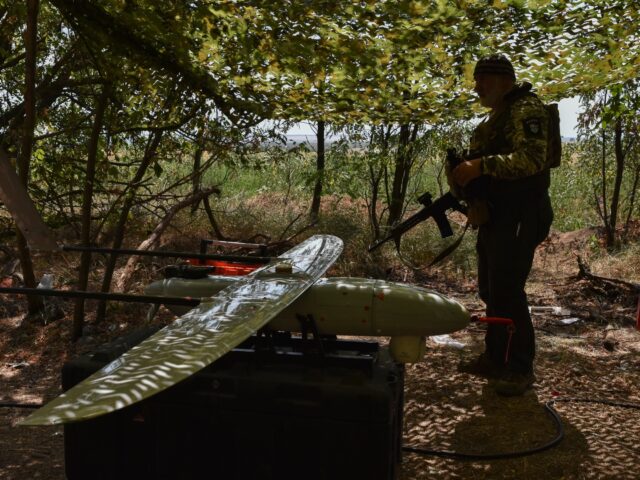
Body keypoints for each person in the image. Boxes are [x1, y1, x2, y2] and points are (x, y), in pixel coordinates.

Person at [452, 54, 554, 396]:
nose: (477, 87)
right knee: (490, 290)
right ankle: (496, 358)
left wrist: (480, 166)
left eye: (485, 80)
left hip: (521, 214)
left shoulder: (526, 109)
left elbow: (532, 159)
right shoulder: (497, 116)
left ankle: (520, 367)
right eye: (477, 79)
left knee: (508, 291)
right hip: (499, 214)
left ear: (505, 82)